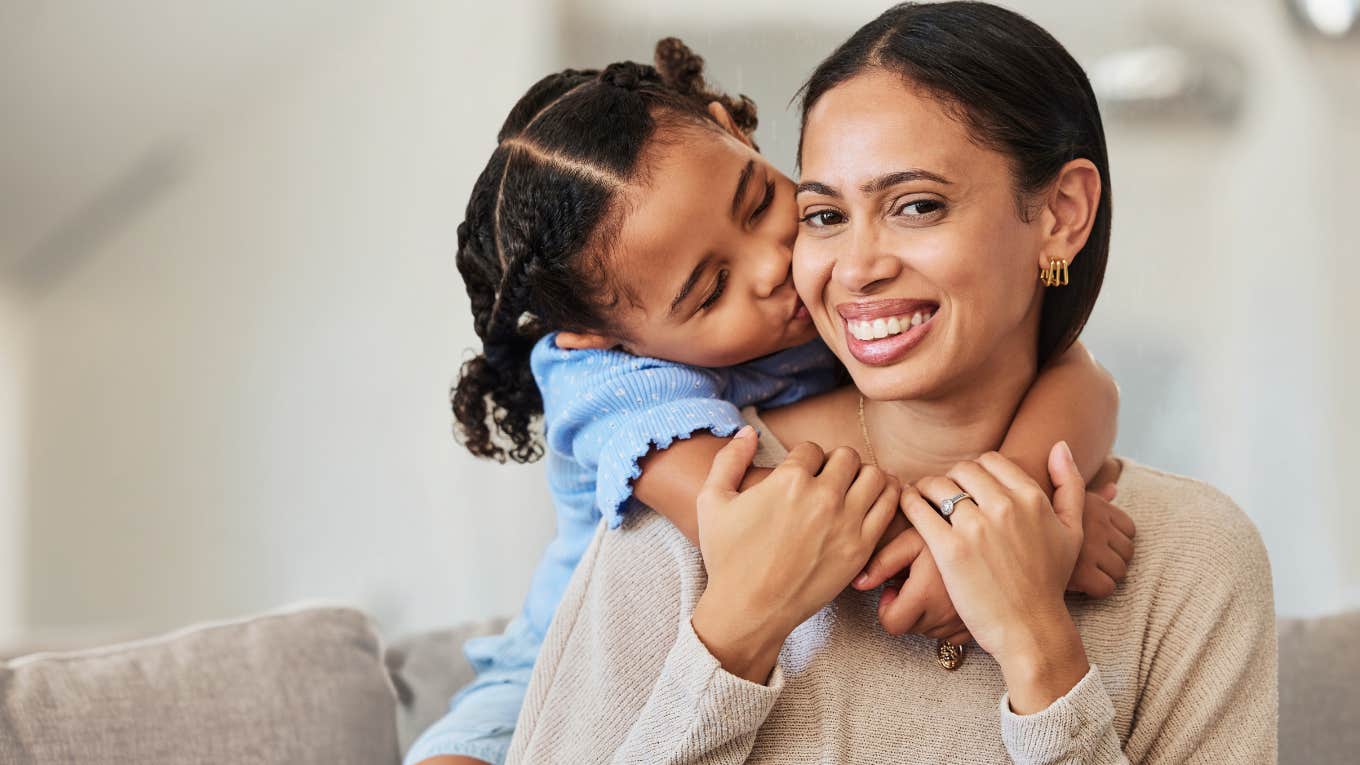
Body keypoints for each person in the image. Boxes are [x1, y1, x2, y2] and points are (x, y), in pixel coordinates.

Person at [505, 3, 1277, 763]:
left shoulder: (1192, 556)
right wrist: (736, 631)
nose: (857, 266)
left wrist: (1041, 651)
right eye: (824, 215)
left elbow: (1082, 372)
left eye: (916, 206)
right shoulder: (693, 515)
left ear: (1060, 214)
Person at [408, 34, 1131, 765]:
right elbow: (781, 532)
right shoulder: (603, 383)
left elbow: (1086, 379)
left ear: (732, 127)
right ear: (602, 335)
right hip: (535, 682)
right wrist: (1002, 553)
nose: (772, 264)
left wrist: (1025, 489)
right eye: (712, 289)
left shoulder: (836, 285)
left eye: (757, 204)